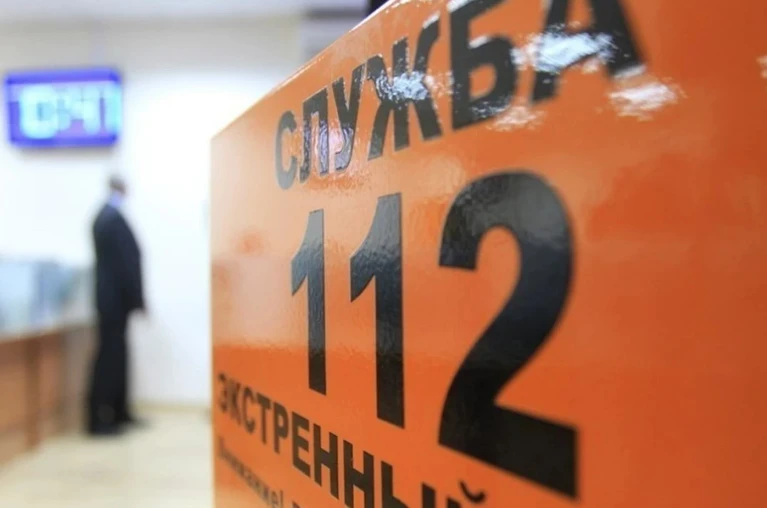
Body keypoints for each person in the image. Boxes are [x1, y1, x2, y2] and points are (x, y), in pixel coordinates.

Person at [88, 175, 145, 435]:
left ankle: (118, 412)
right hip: (112, 302)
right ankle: (100, 418)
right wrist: (137, 298)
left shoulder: (111, 217)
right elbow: (124, 263)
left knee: (118, 356)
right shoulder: (108, 219)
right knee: (109, 358)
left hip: (118, 303)